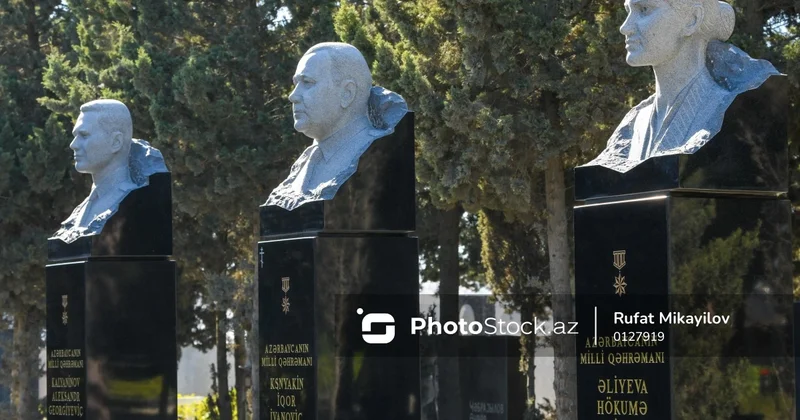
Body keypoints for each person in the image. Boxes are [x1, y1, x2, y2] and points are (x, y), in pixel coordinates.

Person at [584, 0, 780, 173]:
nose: (625, 27)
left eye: (644, 9)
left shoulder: (723, 106)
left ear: (692, 20)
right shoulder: (635, 121)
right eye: (628, 11)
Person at [265, 42, 408, 211]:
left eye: (307, 82)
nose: (293, 96)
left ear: (347, 93)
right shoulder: (308, 160)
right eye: (296, 83)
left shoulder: (373, 154)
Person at [52, 99, 167, 243]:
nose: (73, 145)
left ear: (116, 142)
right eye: (75, 136)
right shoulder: (85, 206)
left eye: (84, 135)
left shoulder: (133, 202)